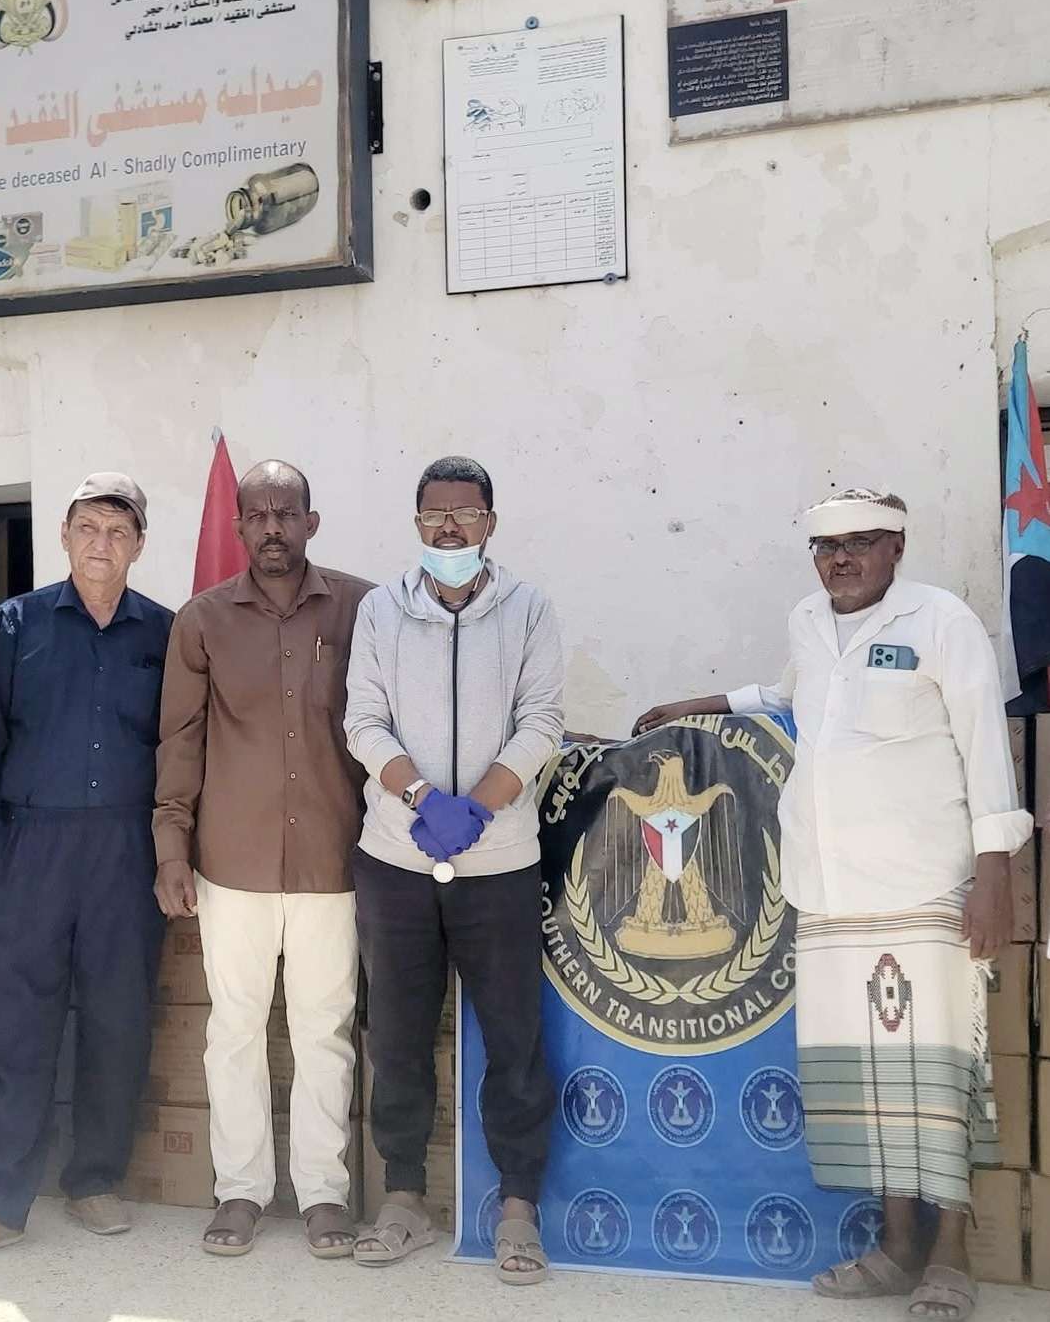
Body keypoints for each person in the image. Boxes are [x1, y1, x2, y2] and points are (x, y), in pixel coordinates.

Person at [634, 487, 1032, 1321]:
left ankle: (950, 1254)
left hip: (923, 885)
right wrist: (696, 703)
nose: (840, 559)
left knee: (936, 1074)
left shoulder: (941, 621)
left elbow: (984, 747)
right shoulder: (807, 621)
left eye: (860, 542)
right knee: (864, 1078)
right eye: (826, 546)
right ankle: (895, 1247)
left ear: (896, 547)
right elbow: (785, 692)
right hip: (828, 893)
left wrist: (994, 874)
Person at [0, 473, 174, 1268]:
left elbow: (181, 750)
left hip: (124, 850)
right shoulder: (17, 623)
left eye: (118, 531)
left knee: (116, 1017)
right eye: (88, 528)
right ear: (64, 536)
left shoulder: (164, 633)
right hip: (27, 847)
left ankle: (93, 1178)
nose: (102, 543)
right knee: (10, 1025)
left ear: (139, 545)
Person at [343, 455, 565, 1285]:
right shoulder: (380, 610)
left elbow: (541, 720)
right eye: (433, 514)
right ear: (416, 524)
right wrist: (422, 799)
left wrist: (477, 807)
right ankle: (402, 1197)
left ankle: (518, 1208)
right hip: (396, 858)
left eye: (465, 514)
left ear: (489, 524)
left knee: (513, 1038)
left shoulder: (528, 608)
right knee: (397, 1037)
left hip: (498, 860)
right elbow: (362, 721)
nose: (448, 528)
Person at [154, 461, 373, 1259]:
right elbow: (179, 741)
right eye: (258, 514)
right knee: (235, 1030)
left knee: (324, 1031)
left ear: (311, 522)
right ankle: (240, 1189)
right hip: (230, 862)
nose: (273, 527)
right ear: (239, 526)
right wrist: (169, 847)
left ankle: (323, 1194)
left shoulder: (360, 607)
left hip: (331, 858)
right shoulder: (202, 620)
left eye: (287, 512)